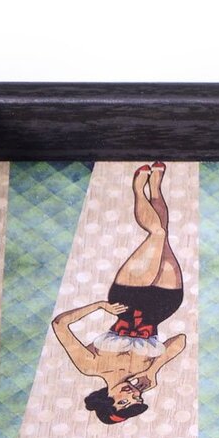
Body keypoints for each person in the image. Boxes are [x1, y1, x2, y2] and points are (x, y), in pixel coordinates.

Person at [50, 163, 190, 424]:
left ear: (107, 399)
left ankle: (138, 189)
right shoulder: (144, 370)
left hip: (127, 299)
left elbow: (59, 325)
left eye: (123, 401)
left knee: (157, 233)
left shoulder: (90, 366)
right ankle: (156, 188)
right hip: (165, 304)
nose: (132, 395)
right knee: (164, 234)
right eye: (137, 399)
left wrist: (98, 306)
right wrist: (155, 370)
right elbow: (180, 341)